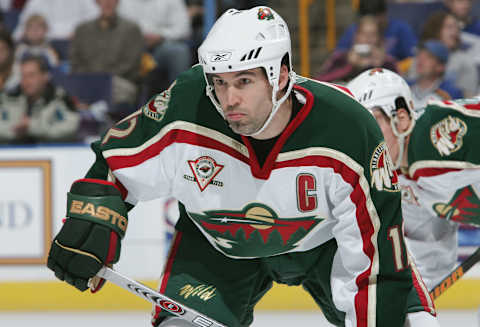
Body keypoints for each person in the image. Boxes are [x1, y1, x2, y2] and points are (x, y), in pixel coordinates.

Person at [46, 7, 436, 327]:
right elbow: (115, 162)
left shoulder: (348, 127)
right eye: (218, 81)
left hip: (325, 243)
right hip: (217, 247)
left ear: (281, 75)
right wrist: (94, 216)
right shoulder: (187, 106)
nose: (228, 98)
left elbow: (376, 262)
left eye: (244, 81)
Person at [347, 67, 480, 293]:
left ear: (401, 119)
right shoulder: (396, 182)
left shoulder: (437, 134)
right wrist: (413, 309)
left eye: (372, 125)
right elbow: (432, 258)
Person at [70, 0, 144, 120]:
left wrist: (104, 80)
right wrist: (92, 79)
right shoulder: (82, 30)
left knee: (122, 92)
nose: (108, 2)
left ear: (118, 2)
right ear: (97, 2)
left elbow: (132, 64)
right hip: (87, 81)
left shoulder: (132, 29)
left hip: (119, 82)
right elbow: (75, 61)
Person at [0, 54, 80, 143]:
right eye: (23, 76)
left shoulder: (60, 98)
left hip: (50, 152)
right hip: (12, 152)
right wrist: (15, 132)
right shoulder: (8, 98)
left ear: (45, 76)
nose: (26, 81)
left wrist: (32, 127)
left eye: (31, 75)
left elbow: (71, 127)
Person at [316, 15, 397, 84]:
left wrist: (380, 67)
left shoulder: (387, 61)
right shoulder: (340, 57)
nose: (368, 38)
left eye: (373, 34)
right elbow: (321, 81)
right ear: (356, 36)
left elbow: (399, 84)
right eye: (364, 34)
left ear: (379, 38)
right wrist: (350, 66)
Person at [336, 0, 417, 60]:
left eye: (373, 33)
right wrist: (349, 60)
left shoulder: (401, 29)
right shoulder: (354, 30)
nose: (371, 24)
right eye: (364, 33)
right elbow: (338, 56)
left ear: (384, 14)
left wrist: (387, 62)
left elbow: (414, 57)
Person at [408, 40, 463, 110]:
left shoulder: (451, 93)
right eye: (419, 54)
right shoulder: (404, 87)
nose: (421, 59)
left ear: (440, 66)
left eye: (429, 57)